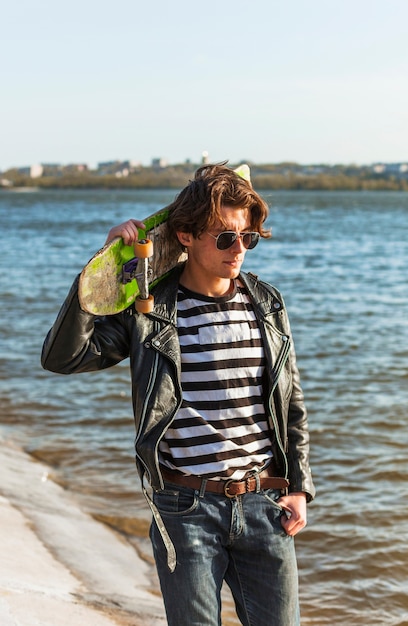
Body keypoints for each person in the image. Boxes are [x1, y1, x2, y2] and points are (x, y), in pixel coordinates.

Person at [41, 163, 315, 626]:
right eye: (224, 237)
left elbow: (292, 404)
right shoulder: (149, 312)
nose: (239, 251)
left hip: (265, 505)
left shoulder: (266, 303)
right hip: (185, 510)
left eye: (246, 237)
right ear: (185, 235)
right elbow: (64, 357)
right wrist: (101, 270)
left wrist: (301, 488)